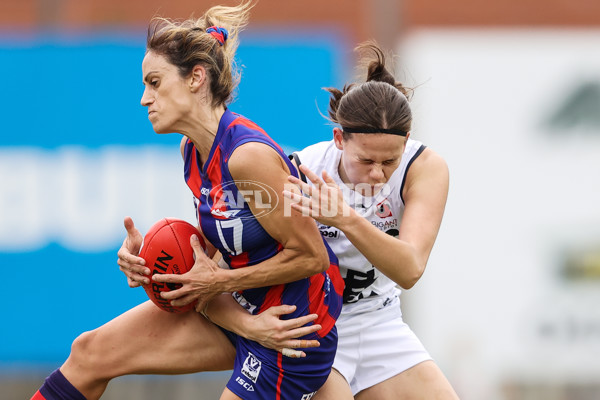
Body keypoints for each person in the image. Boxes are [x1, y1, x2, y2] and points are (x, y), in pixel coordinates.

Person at [30, 2, 343, 400]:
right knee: (90, 353)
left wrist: (221, 281)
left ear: (196, 78)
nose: (145, 99)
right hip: (242, 313)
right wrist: (150, 262)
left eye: (155, 83)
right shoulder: (191, 150)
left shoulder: (246, 156)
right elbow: (213, 253)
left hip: (288, 327)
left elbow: (311, 256)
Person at [282, 42, 460, 399]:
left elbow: (409, 269)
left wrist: (344, 218)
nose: (378, 175)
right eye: (365, 161)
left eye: (389, 161)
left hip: (381, 322)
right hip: (316, 325)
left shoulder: (424, 168)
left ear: (406, 141)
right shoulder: (301, 171)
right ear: (338, 139)